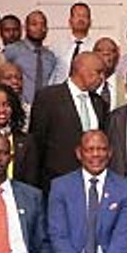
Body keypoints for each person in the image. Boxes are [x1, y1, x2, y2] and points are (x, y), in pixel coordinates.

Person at [28, 51, 107, 191]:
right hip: (56, 182)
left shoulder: (99, 103)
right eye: (98, 72)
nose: (102, 78)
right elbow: (36, 144)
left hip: (92, 184)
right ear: (82, 69)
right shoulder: (48, 97)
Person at [3, 9, 58, 102]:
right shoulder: (12, 50)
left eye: (42, 24)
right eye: (34, 24)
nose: (39, 28)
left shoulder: (50, 56)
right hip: (19, 106)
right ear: (26, 27)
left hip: (44, 107)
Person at [49, 1, 96, 84]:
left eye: (84, 16)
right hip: (59, 93)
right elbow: (51, 74)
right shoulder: (56, 46)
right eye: (77, 15)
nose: (81, 19)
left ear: (90, 22)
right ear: (70, 21)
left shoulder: (95, 47)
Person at [92, 37, 123, 110]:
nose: (106, 53)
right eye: (99, 50)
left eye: (112, 50)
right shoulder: (85, 85)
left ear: (118, 56)